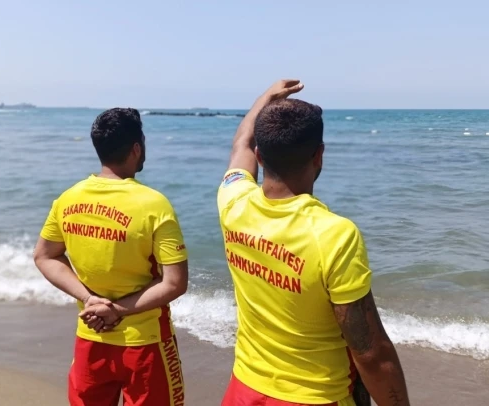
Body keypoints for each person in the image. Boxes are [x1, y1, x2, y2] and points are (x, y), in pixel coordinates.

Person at [217, 80, 410, 406]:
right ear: (319, 155)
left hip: (244, 389)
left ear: (260, 157)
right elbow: (370, 353)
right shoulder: (334, 235)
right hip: (316, 397)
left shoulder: (233, 203)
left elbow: (240, 145)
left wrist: (265, 98)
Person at [34, 108, 189, 406]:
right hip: (145, 343)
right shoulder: (154, 204)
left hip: (91, 336)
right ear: (136, 148)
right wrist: (117, 310)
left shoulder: (68, 198)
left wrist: (89, 299)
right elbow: (175, 283)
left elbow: (44, 256)